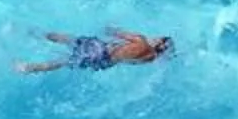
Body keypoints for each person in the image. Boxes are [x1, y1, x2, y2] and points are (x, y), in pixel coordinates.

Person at [18, 27, 173, 74]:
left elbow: (116, 32)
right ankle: (29, 67)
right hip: (105, 62)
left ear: (159, 41)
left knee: (70, 39)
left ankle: (32, 33)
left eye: (158, 37)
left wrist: (106, 27)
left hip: (101, 48)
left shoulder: (141, 40)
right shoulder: (149, 59)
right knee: (65, 62)